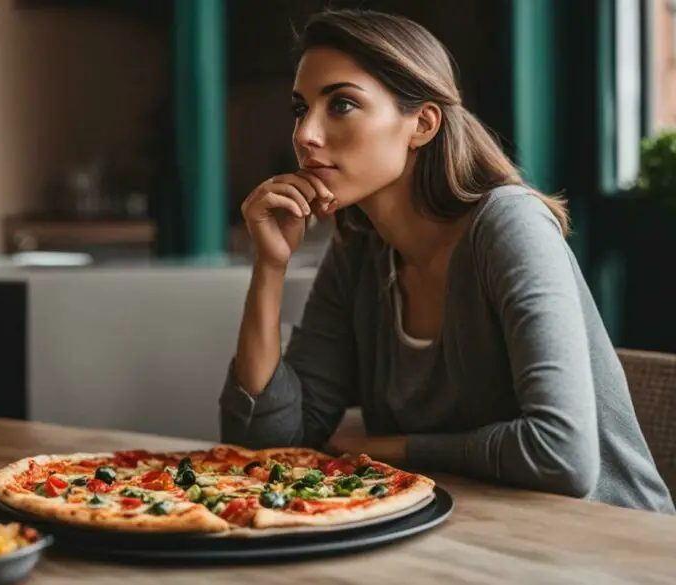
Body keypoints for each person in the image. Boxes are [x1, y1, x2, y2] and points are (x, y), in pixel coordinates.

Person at [218, 8, 675, 514]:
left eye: (342, 104)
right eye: (301, 109)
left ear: (423, 124)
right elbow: (264, 449)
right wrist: (270, 268)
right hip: (476, 537)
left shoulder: (509, 226)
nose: (305, 134)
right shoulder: (358, 253)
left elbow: (561, 456)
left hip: (611, 546)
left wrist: (392, 448)